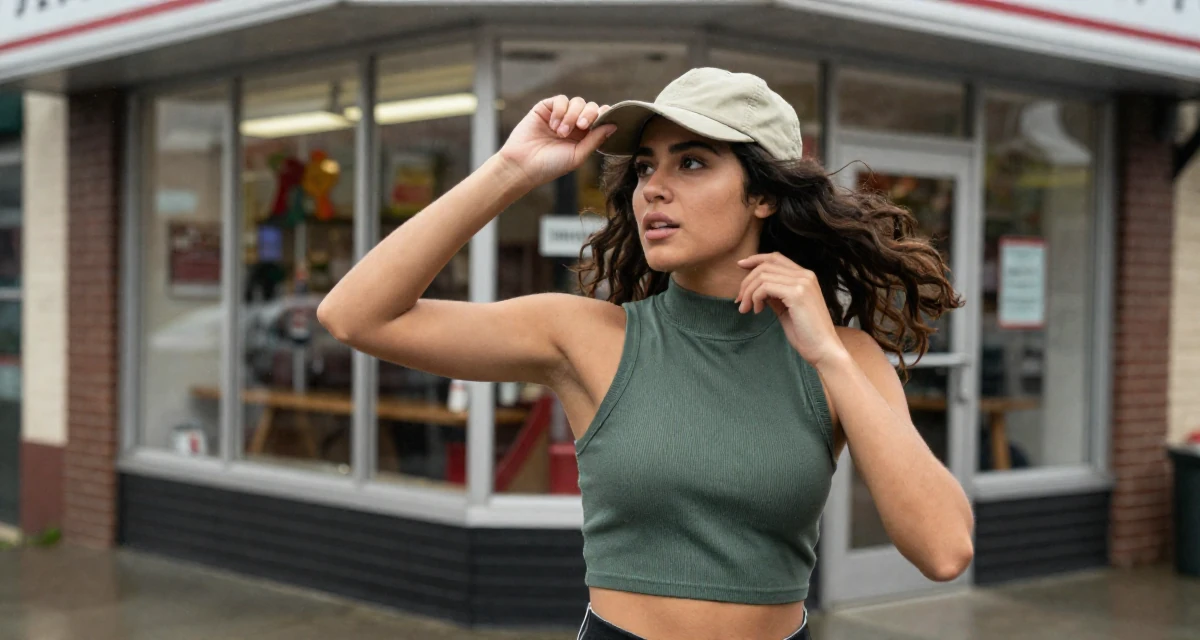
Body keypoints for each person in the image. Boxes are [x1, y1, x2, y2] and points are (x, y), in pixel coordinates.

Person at [318, 67, 974, 640]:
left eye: (691, 162)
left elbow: (945, 551)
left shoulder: (844, 357)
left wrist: (827, 354)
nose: (653, 188)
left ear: (764, 193)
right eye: (644, 167)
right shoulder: (587, 336)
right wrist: (512, 170)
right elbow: (354, 316)